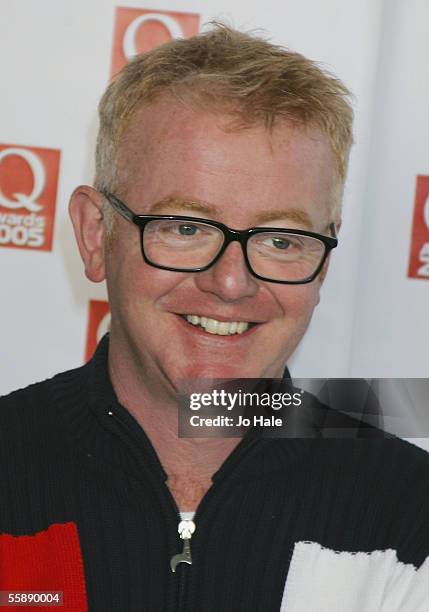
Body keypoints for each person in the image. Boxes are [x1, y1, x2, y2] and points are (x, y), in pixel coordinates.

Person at [1, 24, 428, 612]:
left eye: (281, 240)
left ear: (324, 261)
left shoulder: (412, 515)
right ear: (96, 235)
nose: (231, 283)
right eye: (186, 227)